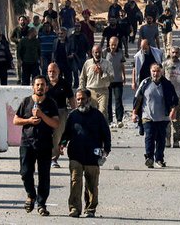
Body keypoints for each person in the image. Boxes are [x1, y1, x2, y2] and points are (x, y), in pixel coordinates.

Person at [60, 89, 111, 218]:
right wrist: (62, 143)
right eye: (78, 99)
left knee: (92, 185)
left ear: (89, 99)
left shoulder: (98, 116)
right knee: (75, 182)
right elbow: (66, 133)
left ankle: (90, 209)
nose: (80, 102)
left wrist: (106, 150)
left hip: (93, 156)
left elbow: (106, 134)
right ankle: (74, 208)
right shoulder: (73, 116)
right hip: (75, 155)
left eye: (83, 99)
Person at [13, 75, 59, 216]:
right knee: (26, 172)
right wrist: (28, 121)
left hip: (44, 144)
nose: (40, 87)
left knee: (44, 175)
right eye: (37, 84)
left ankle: (41, 204)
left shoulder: (51, 103)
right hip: (27, 143)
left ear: (46, 87)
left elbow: (56, 123)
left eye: (42, 85)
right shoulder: (26, 102)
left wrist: (41, 116)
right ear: (33, 86)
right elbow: (15, 120)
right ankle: (31, 195)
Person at [132, 63, 178, 168]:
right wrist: (134, 113)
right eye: (153, 71)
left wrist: (173, 111)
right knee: (149, 137)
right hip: (147, 116)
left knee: (161, 140)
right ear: (150, 71)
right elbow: (138, 98)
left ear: (161, 72)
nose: (155, 73)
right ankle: (149, 158)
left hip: (163, 117)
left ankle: (159, 159)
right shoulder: (145, 83)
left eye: (157, 71)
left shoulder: (167, 84)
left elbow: (174, 99)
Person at [46, 62, 76, 169]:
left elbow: (71, 99)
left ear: (58, 72)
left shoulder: (64, 83)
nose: (52, 73)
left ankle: (53, 158)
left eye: (54, 71)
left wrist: (75, 112)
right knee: (45, 135)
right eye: (50, 71)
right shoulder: (43, 83)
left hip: (61, 112)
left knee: (58, 136)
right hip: (46, 112)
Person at [162, 46, 180, 148]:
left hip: (178, 96)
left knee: (177, 120)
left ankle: (176, 140)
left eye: (177, 53)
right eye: (173, 52)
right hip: (166, 97)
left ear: (179, 54)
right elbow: (161, 80)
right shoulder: (165, 64)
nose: (175, 54)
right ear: (170, 53)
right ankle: (167, 140)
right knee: (166, 119)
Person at [79, 46, 114, 122]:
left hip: (103, 91)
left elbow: (112, 78)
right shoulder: (87, 63)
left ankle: (103, 130)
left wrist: (102, 72)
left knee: (103, 112)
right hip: (91, 91)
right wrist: (82, 90)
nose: (98, 54)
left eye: (99, 52)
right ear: (92, 53)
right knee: (91, 112)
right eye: (96, 52)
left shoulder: (107, 63)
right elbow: (82, 77)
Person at [106, 36, 127, 127]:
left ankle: (119, 119)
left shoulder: (120, 52)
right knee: (108, 101)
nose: (113, 47)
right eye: (112, 45)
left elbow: (122, 64)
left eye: (115, 45)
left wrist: (124, 76)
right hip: (107, 81)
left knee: (118, 99)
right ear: (109, 44)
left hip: (118, 80)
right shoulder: (104, 52)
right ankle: (109, 120)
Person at [67, 22, 90, 88]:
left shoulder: (84, 36)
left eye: (79, 26)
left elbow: (87, 46)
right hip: (74, 57)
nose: (77, 27)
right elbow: (68, 47)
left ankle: (84, 84)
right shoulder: (71, 37)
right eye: (76, 26)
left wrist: (89, 56)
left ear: (80, 27)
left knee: (83, 72)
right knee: (75, 72)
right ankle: (76, 84)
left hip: (82, 56)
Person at [11, 15, 31, 83]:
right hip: (18, 49)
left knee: (26, 64)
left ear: (26, 21)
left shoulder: (29, 29)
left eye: (24, 20)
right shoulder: (16, 29)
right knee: (18, 64)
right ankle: (19, 78)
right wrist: (17, 40)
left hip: (27, 50)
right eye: (21, 20)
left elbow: (32, 37)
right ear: (19, 21)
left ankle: (25, 77)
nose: (22, 21)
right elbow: (11, 38)